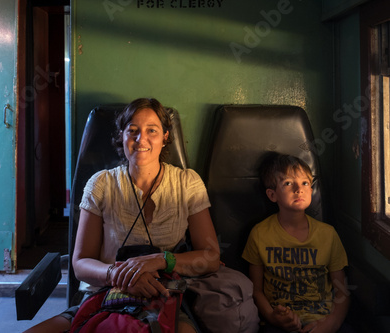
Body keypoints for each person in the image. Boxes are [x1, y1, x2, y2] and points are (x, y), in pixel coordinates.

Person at [24, 98, 221, 333]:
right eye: (133, 131)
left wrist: (162, 260)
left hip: (161, 298)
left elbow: (210, 256)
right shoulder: (102, 184)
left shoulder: (187, 183)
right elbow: (80, 263)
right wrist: (118, 274)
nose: (141, 139)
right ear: (122, 135)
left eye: (152, 131)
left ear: (165, 136)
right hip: (104, 296)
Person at [242, 153, 352, 333]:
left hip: (323, 321)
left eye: (305, 183)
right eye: (287, 183)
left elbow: (342, 292)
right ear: (272, 194)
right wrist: (272, 317)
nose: (298, 189)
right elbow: (256, 291)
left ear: (311, 190)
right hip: (279, 323)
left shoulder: (328, 235)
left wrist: (332, 323)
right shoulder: (259, 234)